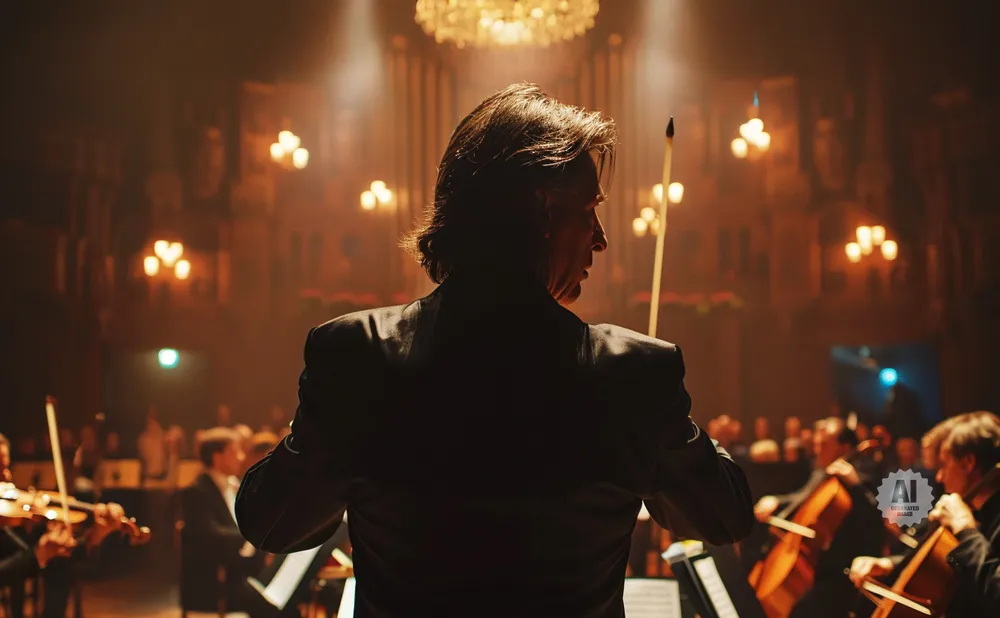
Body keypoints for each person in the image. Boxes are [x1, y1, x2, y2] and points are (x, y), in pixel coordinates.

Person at [235, 83, 754, 618]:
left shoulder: (358, 355)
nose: (600, 238)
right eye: (590, 209)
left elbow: (270, 523)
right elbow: (724, 516)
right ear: (543, 209)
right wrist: (657, 419)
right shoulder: (631, 372)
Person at [849, 411, 1000, 616]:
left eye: (944, 465)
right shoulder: (974, 511)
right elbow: (946, 564)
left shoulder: (971, 519)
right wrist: (889, 564)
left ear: (967, 463)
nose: (939, 477)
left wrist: (966, 530)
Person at [751, 416, 884, 618]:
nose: (817, 450)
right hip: (816, 566)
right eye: (816, 444)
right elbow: (802, 498)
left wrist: (856, 486)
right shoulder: (821, 473)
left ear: (844, 447)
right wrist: (776, 500)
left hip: (837, 575)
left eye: (823, 445)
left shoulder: (863, 478)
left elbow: (876, 525)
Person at [179, 428, 277, 618]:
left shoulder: (232, 485)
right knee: (274, 609)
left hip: (238, 574)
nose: (241, 457)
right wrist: (252, 536)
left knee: (280, 599)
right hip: (215, 584)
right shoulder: (196, 492)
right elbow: (210, 535)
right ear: (218, 457)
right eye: (235, 452)